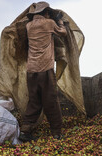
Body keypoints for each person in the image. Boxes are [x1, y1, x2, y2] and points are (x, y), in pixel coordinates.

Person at [18, 1, 67, 142]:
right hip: (45, 69)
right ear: (46, 12)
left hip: (31, 70)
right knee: (51, 100)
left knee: (34, 101)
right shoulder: (49, 23)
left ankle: (25, 130)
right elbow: (62, 33)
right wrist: (60, 21)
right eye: (48, 13)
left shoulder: (28, 26)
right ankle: (57, 132)